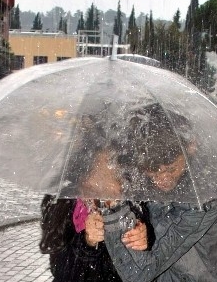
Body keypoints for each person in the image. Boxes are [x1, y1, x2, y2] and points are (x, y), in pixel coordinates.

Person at [99, 103, 217, 281]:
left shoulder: (205, 197)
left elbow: (138, 273)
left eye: (170, 169)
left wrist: (115, 209)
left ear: (190, 147)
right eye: (152, 171)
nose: (162, 179)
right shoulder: (150, 179)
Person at [39, 114, 153, 282]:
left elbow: (143, 266)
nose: (104, 193)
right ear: (82, 177)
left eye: (113, 181)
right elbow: (61, 271)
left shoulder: (133, 204)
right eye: (96, 182)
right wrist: (87, 242)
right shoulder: (63, 203)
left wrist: (146, 239)